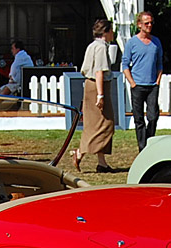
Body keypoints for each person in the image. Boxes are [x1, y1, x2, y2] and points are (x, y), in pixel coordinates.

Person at [72, 19, 116, 173]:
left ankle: (102, 163)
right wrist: (101, 95)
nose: (113, 33)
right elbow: (99, 71)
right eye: (111, 30)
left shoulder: (93, 45)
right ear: (106, 32)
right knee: (106, 124)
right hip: (97, 86)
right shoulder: (101, 48)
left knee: (95, 123)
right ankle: (80, 153)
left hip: (91, 86)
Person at [122, 11, 164, 150]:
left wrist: (158, 81)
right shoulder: (132, 43)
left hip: (152, 86)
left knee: (153, 117)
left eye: (151, 22)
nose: (149, 25)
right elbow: (125, 65)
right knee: (138, 119)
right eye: (146, 23)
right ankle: (142, 147)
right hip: (138, 86)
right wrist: (132, 83)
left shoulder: (156, 42)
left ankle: (150, 142)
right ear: (139, 25)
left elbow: (159, 64)